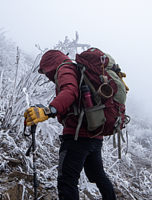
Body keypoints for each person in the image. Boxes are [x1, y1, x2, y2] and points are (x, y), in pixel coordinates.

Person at [24, 50, 116, 200]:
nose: (47, 75)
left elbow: (70, 91)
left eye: (46, 71)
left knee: (67, 180)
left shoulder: (65, 68)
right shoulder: (77, 71)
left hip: (77, 137)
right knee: (98, 175)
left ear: (50, 63)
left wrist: (49, 110)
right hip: (95, 135)